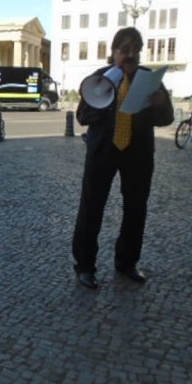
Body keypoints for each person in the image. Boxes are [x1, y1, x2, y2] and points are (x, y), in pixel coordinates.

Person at [72, 27, 174, 290]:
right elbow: (82, 116)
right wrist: (101, 102)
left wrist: (160, 102)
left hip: (138, 153)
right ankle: (84, 266)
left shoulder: (149, 78)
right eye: (124, 49)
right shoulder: (99, 78)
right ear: (114, 51)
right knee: (91, 208)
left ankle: (127, 262)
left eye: (135, 50)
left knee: (136, 209)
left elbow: (166, 119)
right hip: (103, 152)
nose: (130, 55)